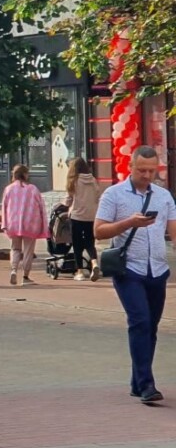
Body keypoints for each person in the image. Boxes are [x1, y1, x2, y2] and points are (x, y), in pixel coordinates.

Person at [94, 146, 176, 405]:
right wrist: (128, 222)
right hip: (129, 269)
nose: (147, 175)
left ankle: (136, 381)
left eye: (152, 170)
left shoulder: (164, 196)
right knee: (139, 321)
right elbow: (99, 231)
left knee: (150, 327)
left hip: (158, 270)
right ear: (131, 167)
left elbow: (173, 231)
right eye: (142, 170)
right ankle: (146, 385)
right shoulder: (114, 194)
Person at [1, 164, 48, 286]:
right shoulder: (33, 189)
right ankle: (26, 277)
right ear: (24, 174)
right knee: (28, 251)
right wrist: (43, 224)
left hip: (13, 223)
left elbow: (4, 208)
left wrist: (4, 223)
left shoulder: (8, 189)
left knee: (15, 248)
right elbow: (41, 207)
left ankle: (13, 270)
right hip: (30, 224)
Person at [66, 158, 101, 280]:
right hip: (91, 216)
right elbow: (97, 196)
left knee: (77, 244)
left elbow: (69, 199)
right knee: (90, 242)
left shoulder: (73, 181)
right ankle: (94, 263)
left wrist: (64, 205)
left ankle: (79, 271)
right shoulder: (93, 180)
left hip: (76, 216)